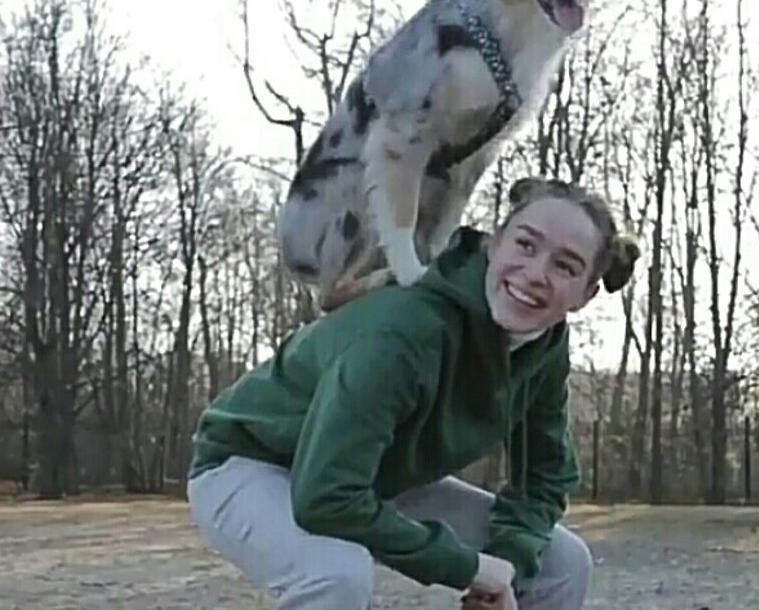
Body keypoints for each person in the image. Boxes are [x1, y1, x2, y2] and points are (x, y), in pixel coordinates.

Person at [186, 177, 641, 610]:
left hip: (374, 476)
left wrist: (506, 562)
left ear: (584, 294)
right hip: (251, 462)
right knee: (335, 573)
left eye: (565, 266)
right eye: (525, 244)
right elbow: (325, 497)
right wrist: (469, 568)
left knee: (561, 563)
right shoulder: (404, 330)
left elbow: (543, 477)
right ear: (492, 242)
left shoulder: (544, 345)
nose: (536, 273)